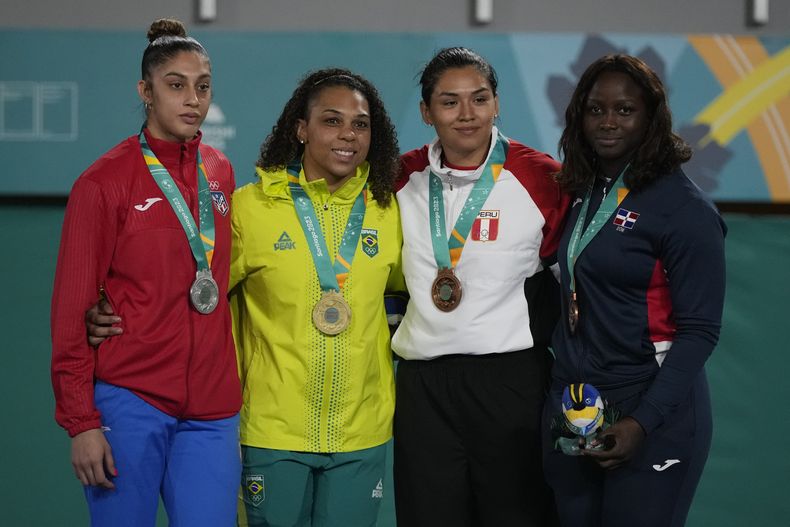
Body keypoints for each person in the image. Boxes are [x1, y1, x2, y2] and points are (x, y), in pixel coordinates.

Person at [51, 19, 241, 526]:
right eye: (175, 85)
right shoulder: (102, 183)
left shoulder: (220, 171)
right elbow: (71, 314)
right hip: (130, 401)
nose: (192, 99)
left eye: (202, 87)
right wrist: (81, 422)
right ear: (146, 91)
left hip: (213, 409)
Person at [543, 54, 726, 527]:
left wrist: (641, 422)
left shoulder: (684, 209)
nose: (607, 122)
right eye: (595, 109)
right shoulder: (582, 189)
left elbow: (700, 331)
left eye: (624, 110)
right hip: (577, 404)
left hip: (652, 408)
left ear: (651, 119)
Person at [392, 47, 569, 526]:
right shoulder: (398, 178)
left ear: (497, 104)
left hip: (509, 382)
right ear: (427, 112)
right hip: (422, 388)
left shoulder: (541, 177)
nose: (467, 114)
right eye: (449, 102)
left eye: (480, 98)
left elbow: (573, 281)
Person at [229, 68, 403, 526]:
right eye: (331, 120)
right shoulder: (252, 207)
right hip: (272, 431)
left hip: (361, 433)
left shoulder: (389, 212)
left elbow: (416, 293)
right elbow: (197, 295)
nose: (348, 134)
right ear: (301, 130)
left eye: (361, 124)